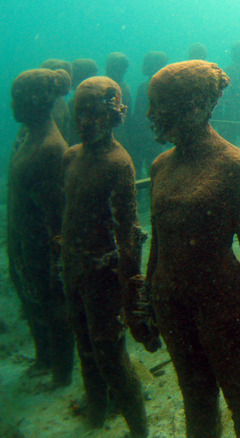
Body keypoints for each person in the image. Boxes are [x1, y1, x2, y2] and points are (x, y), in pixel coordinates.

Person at [145, 60, 240, 438]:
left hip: (224, 304)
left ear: (194, 104)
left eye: (159, 104)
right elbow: (157, 243)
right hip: (171, 302)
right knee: (195, 396)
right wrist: (146, 297)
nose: (150, 115)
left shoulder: (234, 166)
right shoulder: (161, 166)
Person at [62, 76, 154, 437]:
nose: (85, 122)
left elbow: (128, 233)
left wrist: (132, 290)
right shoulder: (71, 157)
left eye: (94, 113)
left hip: (104, 276)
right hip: (74, 268)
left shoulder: (119, 163)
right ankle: (96, 413)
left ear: (115, 116)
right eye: (79, 113)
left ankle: (139, 427)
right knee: (84, 346)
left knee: (109, 354)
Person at [7, 68, 74, 387]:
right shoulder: (29, 139)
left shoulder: (49, 148)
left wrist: (54, 260)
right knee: (40, 304)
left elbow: (56, 217)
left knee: (53, 306)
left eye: (15, 99)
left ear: (35, 102)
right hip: (28, 241)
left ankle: (61, 371)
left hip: (42, 246)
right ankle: (46, 357)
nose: (11, 106)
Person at [129, 51, 168, 176]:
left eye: (146, 63)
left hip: (143, 135)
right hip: (155, 134)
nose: (142, 66)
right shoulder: (164, 87)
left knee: (140, 169)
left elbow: (138, 114)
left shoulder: (144, 87)